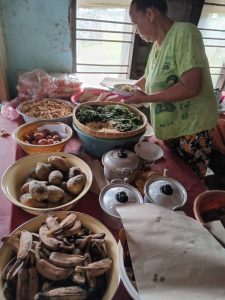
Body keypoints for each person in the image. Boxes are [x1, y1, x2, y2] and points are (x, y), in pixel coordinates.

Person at [121, 0, 218, 179]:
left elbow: (191, 86)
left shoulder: (185, 33)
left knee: (188, 182)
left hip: (191, 130)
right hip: (171, 130)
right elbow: (147, 80)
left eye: (136, 23)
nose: (136, 30)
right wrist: (121, 93)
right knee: (170, 176)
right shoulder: (157, 47)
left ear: (150, 13)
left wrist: (145, 99)